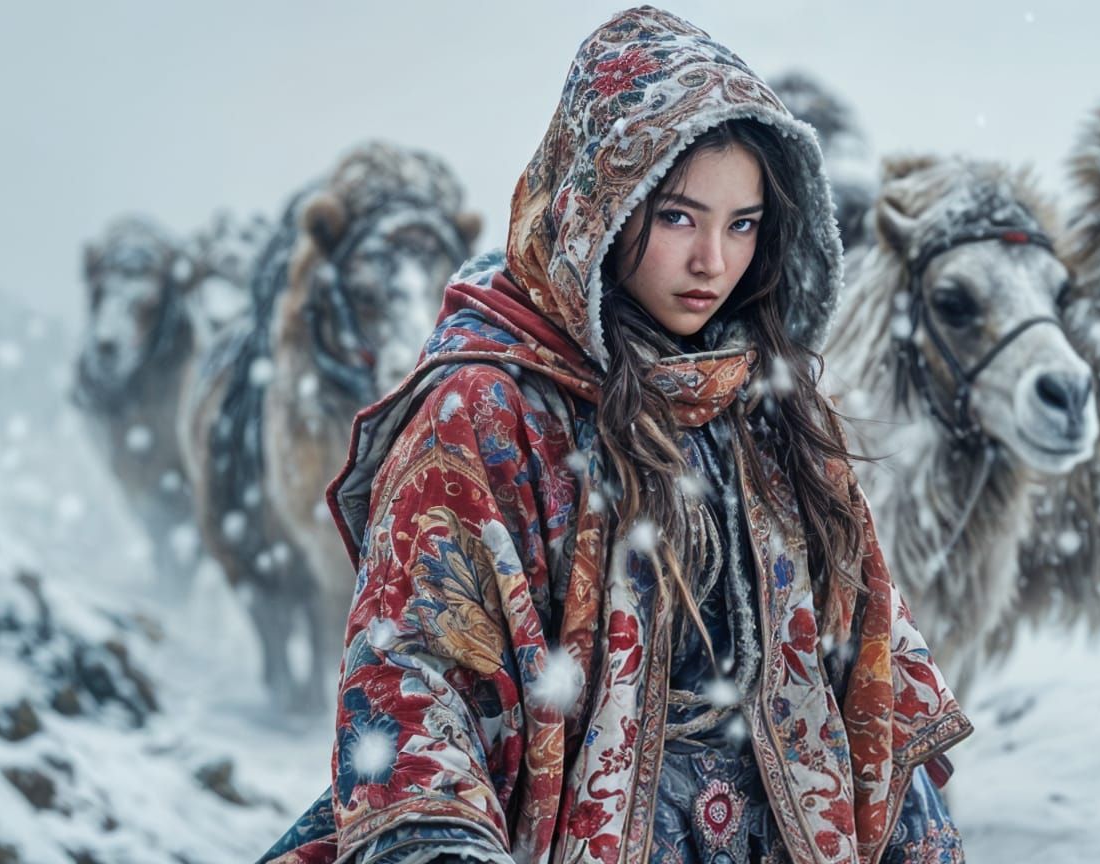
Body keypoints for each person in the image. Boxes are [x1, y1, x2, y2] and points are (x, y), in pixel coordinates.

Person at [259, 7, 971, 863]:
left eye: (743, 223)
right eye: (677, 216)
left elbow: (868, 679)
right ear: (597, 205)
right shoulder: (488, 408)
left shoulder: (772, 413)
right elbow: (417, 676)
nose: (713, 259)